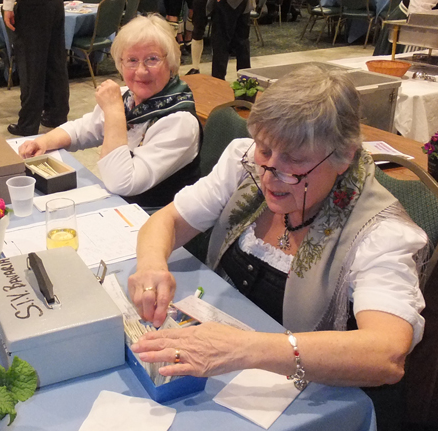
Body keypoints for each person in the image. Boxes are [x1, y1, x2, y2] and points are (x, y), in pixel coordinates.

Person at [128, 65, 427, 428]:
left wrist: (241, 348)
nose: (270, 174)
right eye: (265, 149)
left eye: (295, 161)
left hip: (318, 407)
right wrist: (151, 267)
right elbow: (168, 221)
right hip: (226, 378)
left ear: (344, 155)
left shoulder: (381, 233)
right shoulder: (246, 162)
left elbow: (386, 353)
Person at [17, 15, 202, 208]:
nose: (140, 70)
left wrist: (114, 112)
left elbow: (122, 183)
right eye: (131, 60)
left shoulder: (179, 121)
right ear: (120, 64)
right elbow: (83, 129)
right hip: (123, 207)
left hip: (156, 220)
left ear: (170, 64)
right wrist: (43, 141)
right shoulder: (128, 97)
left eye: (152, 59)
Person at [3, 0, 70, 137]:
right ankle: (56, 114)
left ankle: (27, 123)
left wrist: (8, 7)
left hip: (32, 7)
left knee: (30, 65)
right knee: (55, 61)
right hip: (56, 5)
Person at [208, 0, 253, 80]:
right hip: (244, 3)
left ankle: (218, 83)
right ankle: (246, 83)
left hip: (226, 3)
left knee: (221, 42)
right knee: (242, 43)